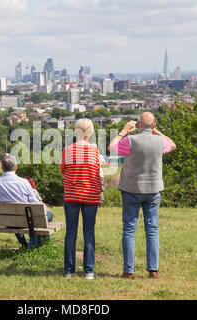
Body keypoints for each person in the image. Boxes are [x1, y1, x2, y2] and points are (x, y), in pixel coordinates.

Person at [108, 112, 176, 280]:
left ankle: (128, 271)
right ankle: (153, 270)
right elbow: (172, 145)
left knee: (129, 229)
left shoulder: (131, 141)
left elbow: (111, 148)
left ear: (137, 124)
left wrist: (124, 131)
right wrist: (155, 131)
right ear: (153, 125)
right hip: (153, 190)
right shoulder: (160, 141)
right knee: (152, 229)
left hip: (131, 188)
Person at [60, 118, 101, 280]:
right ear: (90, 132)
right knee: (89, 232)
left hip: (71, 195)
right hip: (90, 195)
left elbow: (63, 170)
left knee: (71, 233)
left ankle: (69, 270)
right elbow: (97, 171)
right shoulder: (95, 151)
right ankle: (89, 270)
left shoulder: (68, 150)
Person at [0, 155, 40, 248]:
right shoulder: (24, 182)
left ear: (2, 168)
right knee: (49, 215)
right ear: (16, 167)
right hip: (23, 222)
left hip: (1, 222)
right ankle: (38, 244)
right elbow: (35, 204)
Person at [25, 177, 54, 246]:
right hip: (36, 217)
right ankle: (46, 241)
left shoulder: (20, 192)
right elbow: (41, 204)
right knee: (49, 214)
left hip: (24, 219)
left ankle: (33, 241)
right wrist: (47, 210)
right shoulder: (34, 191)